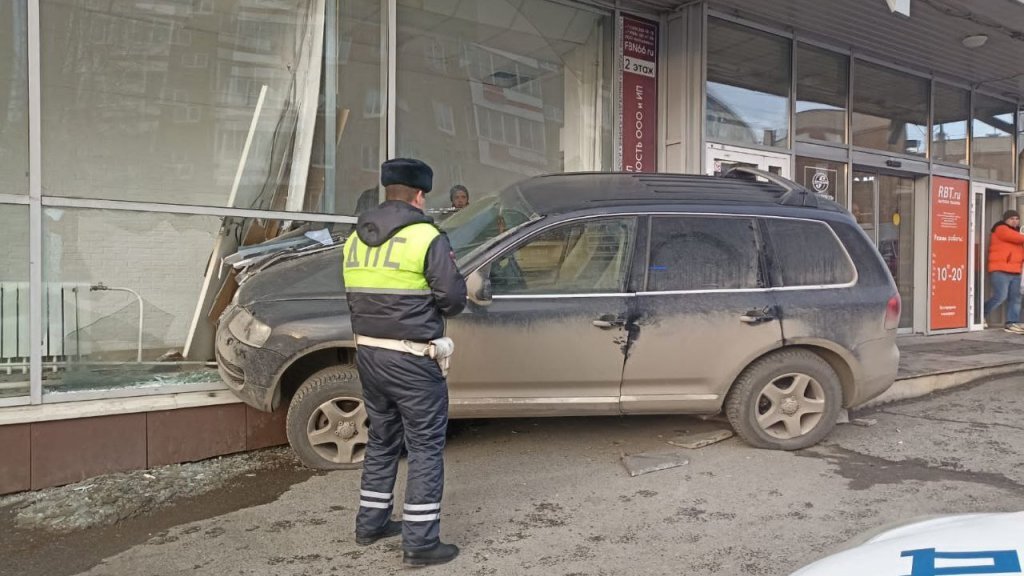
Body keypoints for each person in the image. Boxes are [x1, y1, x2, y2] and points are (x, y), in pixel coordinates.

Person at [341, 158, 467, 566]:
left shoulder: (355, 238)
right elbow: (453, 300)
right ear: (419, 195)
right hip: (412, 359)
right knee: (426, 447)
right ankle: (420, 542)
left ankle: (371, 523)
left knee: (381, 440)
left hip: (369, 354)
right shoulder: (425, 237)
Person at [983, 210, 1024, 333]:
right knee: (1000, 296)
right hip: (1001, 270)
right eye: (1012, 218)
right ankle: (979, 315)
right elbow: (1014, 238)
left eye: (1017, 219)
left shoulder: (1019, 234)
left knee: (1016, 299)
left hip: (1015, 270)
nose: (1015, 221)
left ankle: (1012, 323)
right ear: (1005, 219)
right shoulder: (1000, 228)